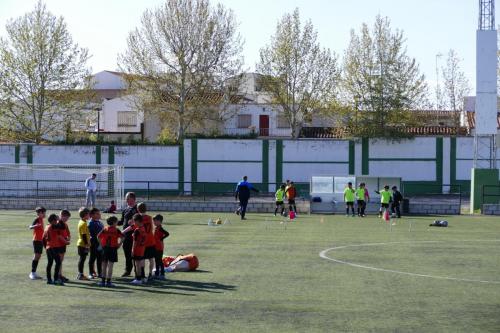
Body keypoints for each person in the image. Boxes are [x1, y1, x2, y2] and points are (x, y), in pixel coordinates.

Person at [97, 216, 123, 287]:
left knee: (104, 265)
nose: (117, 223)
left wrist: (101, 244)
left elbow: (98, 236)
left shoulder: (105, 229)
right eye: (117, 222)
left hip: (105, 248)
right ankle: (108, 282)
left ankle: (102, 281)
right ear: (114, 222)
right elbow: (122, 237)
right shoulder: (117, 230)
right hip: (113, 249)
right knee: (110, 266)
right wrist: (119, 244)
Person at [42, 214, 67, 285]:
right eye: (56, 220)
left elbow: (43, 239)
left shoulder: (47, 226)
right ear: (53, 221)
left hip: (48, 247)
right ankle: (56, 279)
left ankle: (49, 279)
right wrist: (60, 220)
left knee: (50, 263)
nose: (57, 221)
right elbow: (63, 227)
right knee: (58, 262)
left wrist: (46, 247)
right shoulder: (53, 226)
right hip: (53, 247)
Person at [118, 192, 138, 277]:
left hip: (134, 235)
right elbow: (122, 221)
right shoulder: (125, 209)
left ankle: (138, 271)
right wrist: (112, 222)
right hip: (125, 236)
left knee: (135, 253)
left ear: (133, 199)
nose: (126, 200)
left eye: (128, 198)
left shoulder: (137, 209)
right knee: (127, 252)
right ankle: (128, 270)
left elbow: (137, 223)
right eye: (126, 198)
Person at [137, 202, 156, 281]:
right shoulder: (149, 217)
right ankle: (150, 274)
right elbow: (151, 228)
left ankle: (142, 274)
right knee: (151, 258)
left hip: (142, 241)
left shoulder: (138, 218)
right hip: (150, 240)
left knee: (142, 258)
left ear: (138, 209)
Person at [28, 206, 46, 280]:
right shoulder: (37, 219)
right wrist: (36, 225)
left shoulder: (41, 219)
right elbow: (30, 227)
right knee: (36, 256)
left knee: (38, 256)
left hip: (40, 240)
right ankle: (32, 273)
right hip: (36, 240)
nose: (45, 214)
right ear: (40, 213)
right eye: (44, 213)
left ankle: (34, 272)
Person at [88, 208, 104, 279]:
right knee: (92, 258)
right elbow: (92, 235)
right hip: (94, 243)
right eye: (97, 214)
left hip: (100, 244)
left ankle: (100, 273)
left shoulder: (100, 222)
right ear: (92, 215)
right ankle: (91, 273)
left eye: (99, 213)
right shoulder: (91, 223)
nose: (99, 215)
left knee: (100, 258)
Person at [130, 214, 146, 285]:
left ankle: (138, 279)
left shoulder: (137, 230)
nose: (134, 223)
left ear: (138, 221)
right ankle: (142, 277)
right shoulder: (143, 228)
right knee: (140, 263)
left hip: (137, 249)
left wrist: (133, 250)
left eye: (134, 221)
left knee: (137, 264)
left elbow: (135, 242)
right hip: (142, 248)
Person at [153, 214, 169, 280]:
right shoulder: (156, 228)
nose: (154, 222)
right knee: (156, 260)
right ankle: (157, 273)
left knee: (159, 261)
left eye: (155, 221)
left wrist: (161, 238)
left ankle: (162, 274)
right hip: (155, 247)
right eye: (153, 221)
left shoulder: (160, 228)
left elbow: (167, 234)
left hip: (159, 247)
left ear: (159, 221)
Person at [76, 207, 91, 280]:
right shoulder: (83, 223)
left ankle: (80, 274)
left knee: (82, 259)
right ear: (85, 215)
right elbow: (84, 235)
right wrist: (87, 245)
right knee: (82, 259)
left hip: (82, 244)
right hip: (82, 244)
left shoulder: (82, 221)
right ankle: (80, 274)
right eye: (88, 214)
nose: (89, 215)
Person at [58, 210, 71, 282]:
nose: (67, 219)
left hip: (63, 244)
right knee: (59, 260)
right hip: (59, 244)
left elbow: (68, 233)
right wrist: (65, 241)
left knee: (61, 260)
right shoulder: (58, 224)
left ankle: (60, 274)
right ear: (61, 216)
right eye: (66, 218)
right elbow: (58, 235)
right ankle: (58, 275)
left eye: (67, 218)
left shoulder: (65, 224)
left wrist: (68, 238)